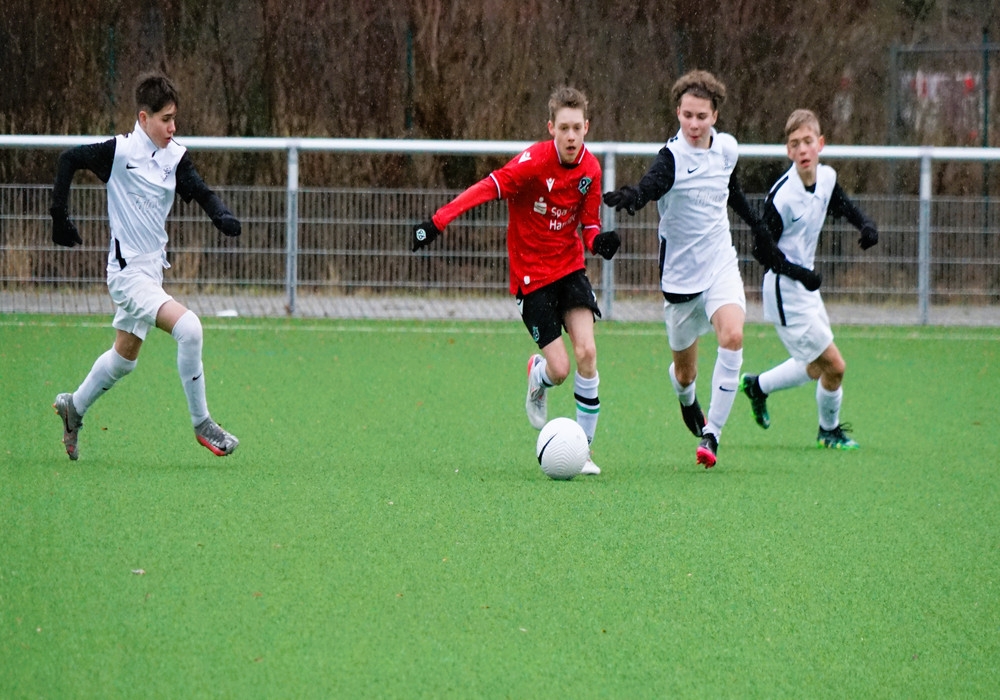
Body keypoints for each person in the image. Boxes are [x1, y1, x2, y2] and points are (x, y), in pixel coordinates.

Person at [411, 86, 620, 475]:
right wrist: (439, 221)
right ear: (551, 128)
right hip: (531, 277)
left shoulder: (591, 170)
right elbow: (486, 188)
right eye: (564, 128)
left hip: (570, 269)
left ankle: (585, 451)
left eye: (577, 128)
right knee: (560, 369)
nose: (571, 136)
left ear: (587, 127)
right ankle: (539, 375)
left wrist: (598, 242)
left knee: (587, 353)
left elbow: (589, 225)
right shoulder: (533, 163)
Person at [50, 72, 242, 460]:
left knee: (124, 360)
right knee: (190, 329)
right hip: (126, 276)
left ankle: (74, 407)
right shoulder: (119, 152)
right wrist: (59, 215)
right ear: (143, 118)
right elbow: (69, 159)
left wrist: (220, 215)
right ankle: (203, 423)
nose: (173, 127)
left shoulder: (175, 157)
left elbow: (200, 190)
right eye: (165, 119)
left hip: (152, 273)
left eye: (174, 119)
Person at [603, 70, 771, 468]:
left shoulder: (726, 149)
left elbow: (731, 190)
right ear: (677, 113)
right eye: (687, 115)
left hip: (720, 263)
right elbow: (651, 185)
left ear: (715, 116)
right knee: (685, 373)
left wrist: (758, 227)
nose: (694, 124)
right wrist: (633, 196)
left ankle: (713, 434)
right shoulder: (671, 158)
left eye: (702, 116)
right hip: (680, 279)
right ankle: (685, 395)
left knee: (733, 335)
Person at [739, 108, 878, 449]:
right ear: (788, 151)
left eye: (807, 141)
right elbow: (761, 251)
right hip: (785, 292)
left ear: (820, 144)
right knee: (835, 366)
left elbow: (840, 202)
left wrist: (864, 224)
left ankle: (757, 386)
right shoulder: (783, 197)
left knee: (816, 367)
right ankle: (828, 431)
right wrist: (800, 274)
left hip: (805, 287)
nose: (802, 149)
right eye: (794, 144)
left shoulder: (826, 177)